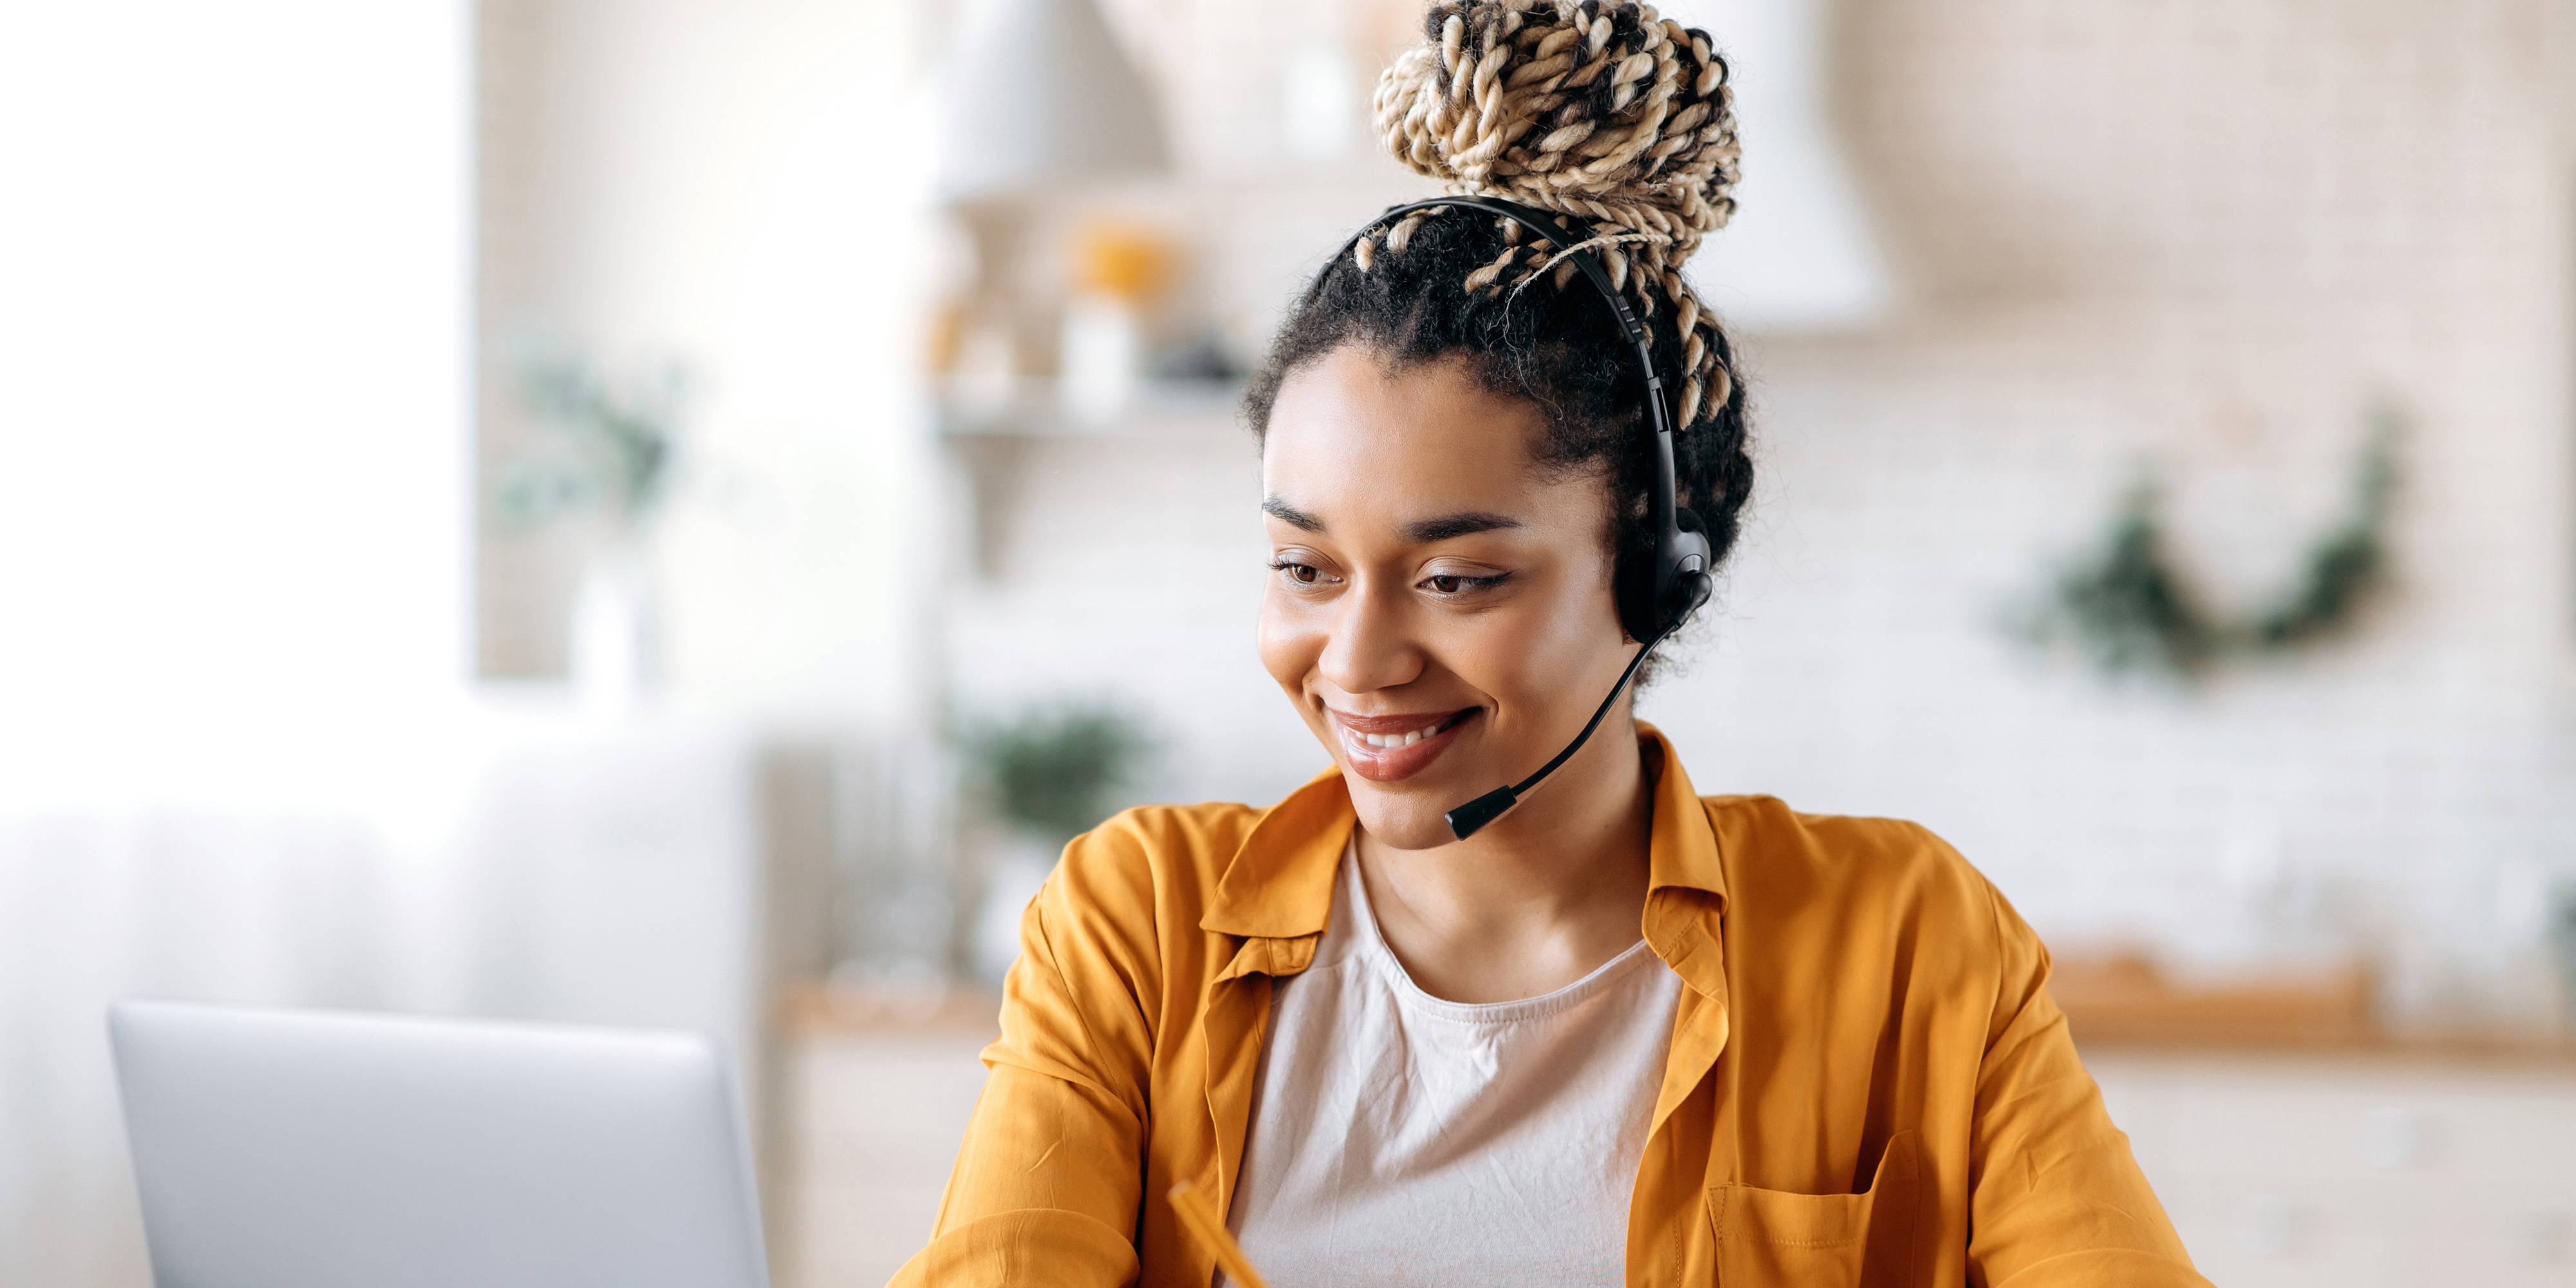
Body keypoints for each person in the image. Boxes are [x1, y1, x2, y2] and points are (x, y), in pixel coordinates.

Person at [893, 1, 2207, 1283]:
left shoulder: (1903, 946)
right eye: (1304, 566)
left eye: (1457, 578)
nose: (1355, 658)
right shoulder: (1136, 931)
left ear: (1653, 571)